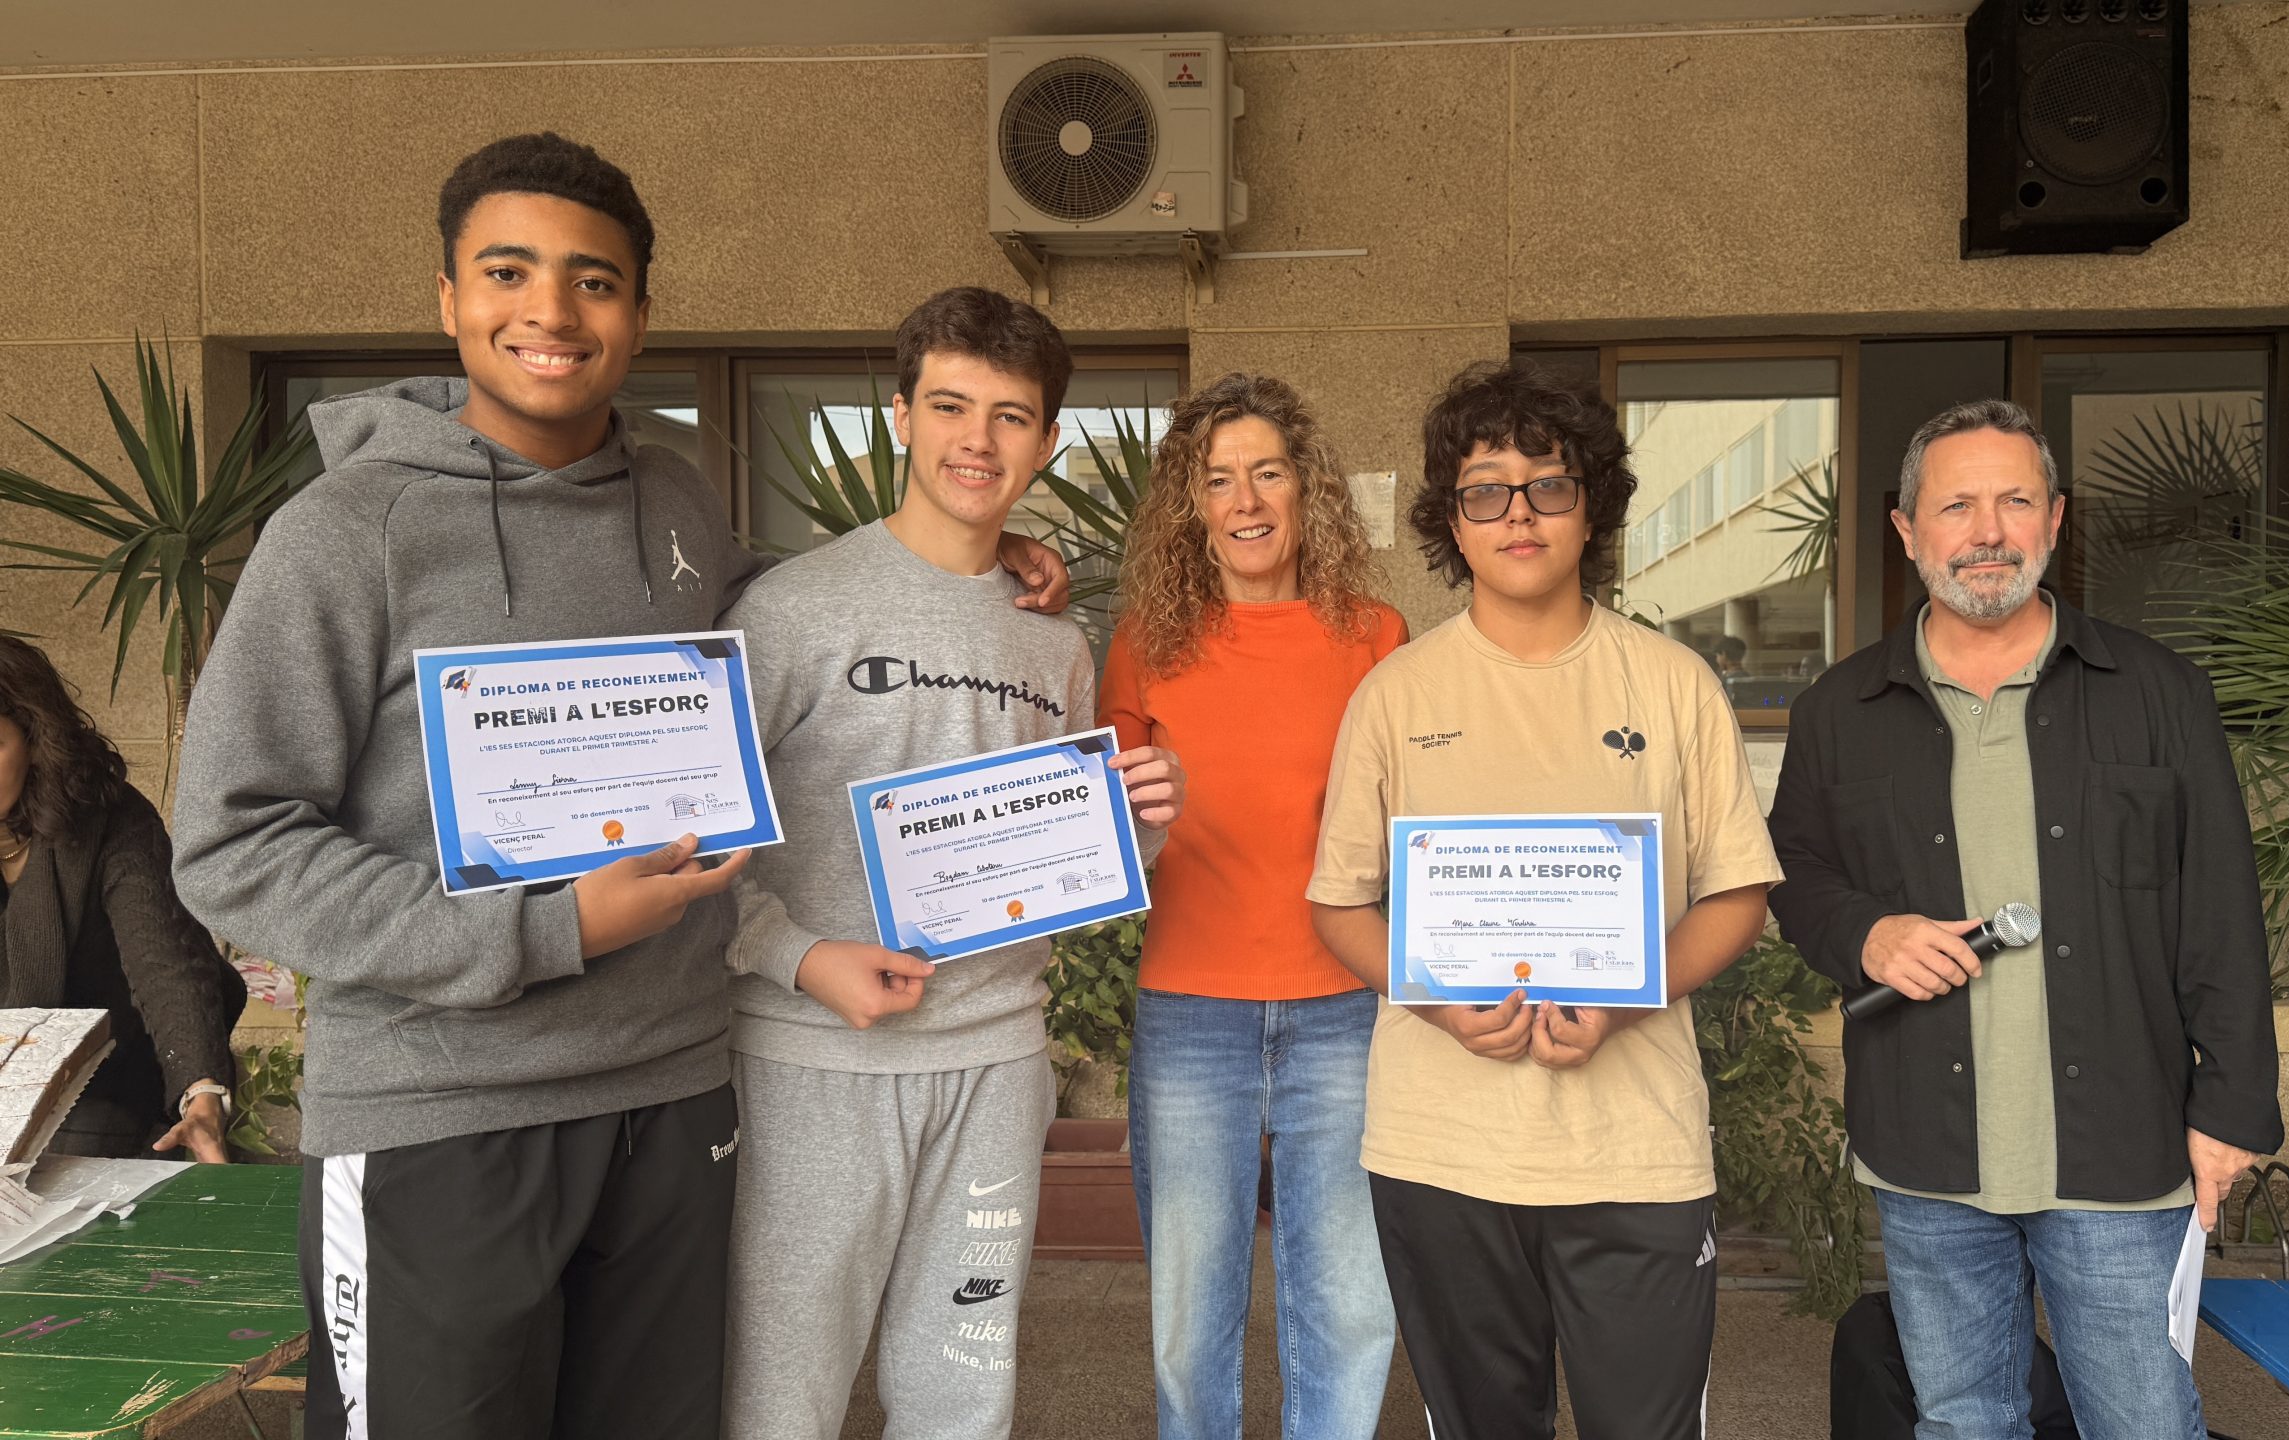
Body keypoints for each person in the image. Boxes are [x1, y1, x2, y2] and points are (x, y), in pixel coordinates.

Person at [169, 137, 1067, 1440]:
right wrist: (549, 926)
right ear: (447, 299)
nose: (549, 310)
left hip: (673, 1101)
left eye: (592, 281)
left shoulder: (677, 505)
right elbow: (232, 843)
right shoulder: (344, 533)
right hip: (444, 1115)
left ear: (640, 315)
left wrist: (976, 557)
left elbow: (790, 619)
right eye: (508, 273)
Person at [719, 285, 1186, 1440]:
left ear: (1047, 440)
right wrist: (797, 957)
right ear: (899, 416)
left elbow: (1051, 854)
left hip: (994, 1062)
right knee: (781, 1395)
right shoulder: (790, 610)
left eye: (1010, 416)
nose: (977, 440)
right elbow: (696, 841)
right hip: (812, 1062)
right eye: (949, 406)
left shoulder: (1051, 637)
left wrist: (1138, 826)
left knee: (961, 1394)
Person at [1765, 399, 2282, 1440]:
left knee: (2143, 1424)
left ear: (2055, 517)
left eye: (2015, 500)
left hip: (2121, 1147)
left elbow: (2221, 910)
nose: (1988, 531)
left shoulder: (2158, 692)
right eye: (1956, 505)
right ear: (1907, 529)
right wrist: (1866, 934)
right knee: (1963, 1421)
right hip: (1926, 1148)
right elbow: (1793, 870)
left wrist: (2231, 1109)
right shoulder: (1839, 709)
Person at [1307, 360, 1781, 1439]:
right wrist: (1433, 1000)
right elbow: (1339, 904)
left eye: (1547, 485)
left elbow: (1737, 894)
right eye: (1485, 490)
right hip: (1442, 1151)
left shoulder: (1674, 683)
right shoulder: (1394, 695)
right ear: (1451, 520)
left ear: (1591, 506)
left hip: (1636, 1150)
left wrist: (1625, 994)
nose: (1517, 513)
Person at [1099, 373, 1407, 1440]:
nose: (1245, 500)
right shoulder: (1148, 640)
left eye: (1267, 472)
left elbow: (1412, 814)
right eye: (1218, 479)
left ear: (1306, 488)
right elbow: (1109, 835)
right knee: (1191, 1317)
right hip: (1192, 1007)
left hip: (1344, 1003)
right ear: (1191, 505)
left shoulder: (1374, 634)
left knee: (1350, 1305)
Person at [0, 637, 241, 1162]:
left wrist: (202, 1095)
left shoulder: (109, 817)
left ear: (34, 740)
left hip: (110, 1077)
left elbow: (165, 960)